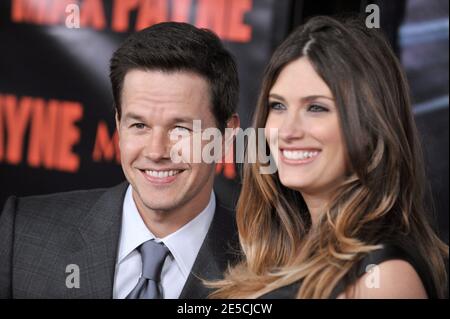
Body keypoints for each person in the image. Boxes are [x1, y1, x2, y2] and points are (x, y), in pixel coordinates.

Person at [209, 16, 448, 299]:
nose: (288, 131)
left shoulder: (382, 276)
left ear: (371, 125)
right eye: (278, 106)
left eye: (316, 108)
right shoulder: (280, 247)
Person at [0, 22, 240, 299]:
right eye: (139, 125)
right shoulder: (24, 234)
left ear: (226, 136)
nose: (156, 151)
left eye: (181, 129)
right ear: (118, 123)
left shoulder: (271, 266)